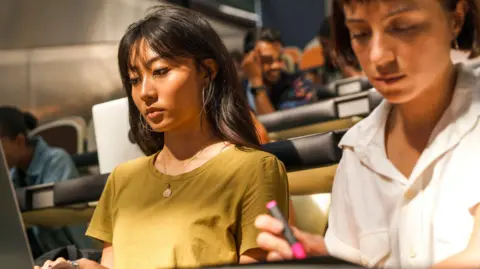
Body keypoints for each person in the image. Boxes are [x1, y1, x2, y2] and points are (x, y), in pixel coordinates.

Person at [37, 5, 289, 269]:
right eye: (134, 80)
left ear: (207, 72)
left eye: (160, 71)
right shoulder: (122, 179)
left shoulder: (254, 169)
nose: (145, 92)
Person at [255, 0, 480, 268]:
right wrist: (329, 260)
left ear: (456, 19)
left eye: (403, 27)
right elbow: (350, 255)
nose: (378, 57)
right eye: (360, 33)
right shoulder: (357, 151)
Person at [0, 106, 92, 258]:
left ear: (19, 141)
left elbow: (53, 217)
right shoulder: (13, 174)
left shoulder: (57, 161)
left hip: (76, 257)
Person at [242, 28, 317, 115]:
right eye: (267, 60)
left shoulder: (299, 86)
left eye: (280, 59)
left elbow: (275, 126)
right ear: (248, 60)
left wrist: (256, 82)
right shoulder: (235, 93)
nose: (276, 66)